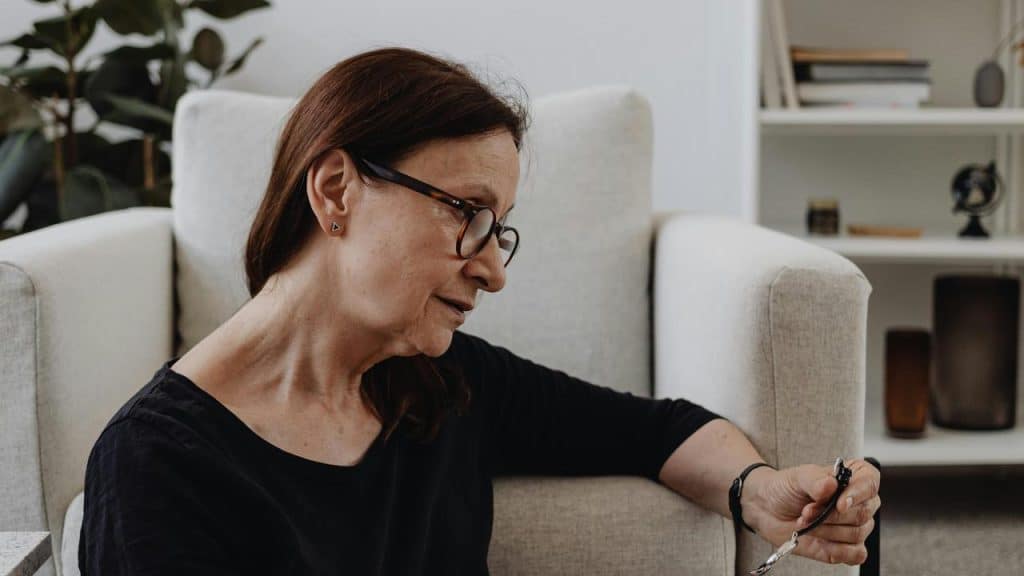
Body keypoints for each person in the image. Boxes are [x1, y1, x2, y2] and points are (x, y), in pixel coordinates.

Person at [79, 47, 880, 575]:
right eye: (465, 211)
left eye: (499, 232)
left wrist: (758, 490)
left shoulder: (434, 383)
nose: (492, 269)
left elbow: (655, 430)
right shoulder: (157, 468)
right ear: (335, 191)